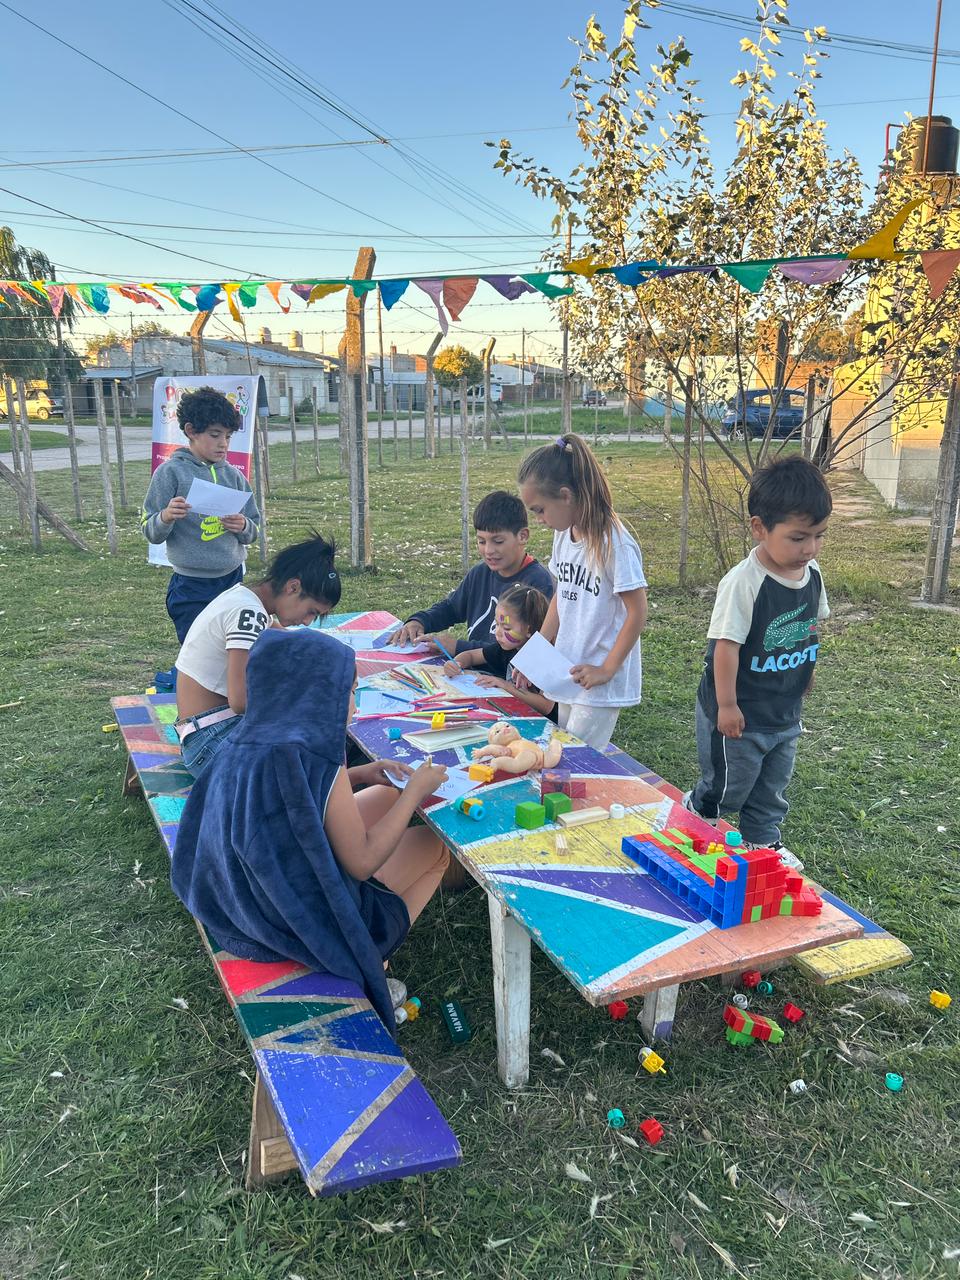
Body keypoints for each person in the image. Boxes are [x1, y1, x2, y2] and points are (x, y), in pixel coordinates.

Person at [170, 627, 450, 1031]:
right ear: (319, 696)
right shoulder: (317, 754)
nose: (353, 704)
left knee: (384, 798)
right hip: (293, 916)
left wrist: (360, 774)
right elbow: (361, 862)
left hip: (237, 893)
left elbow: (298, 794)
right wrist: (415, 794)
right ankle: (371, 955)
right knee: (434, 847)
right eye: (349, 693)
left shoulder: (250, 735)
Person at [684, 455, 831, 860]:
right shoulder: (743, 583)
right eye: (799, 537)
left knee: (772, 784)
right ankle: (699, 811)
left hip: (783, 706)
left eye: (819, 536)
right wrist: (727, 706)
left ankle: (762, 838)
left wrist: (807, 671)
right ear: (759, 528)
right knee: (730, 784)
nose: (810, 548)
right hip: (738, 709)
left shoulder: (812, 574)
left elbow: (811, 625)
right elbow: (726, 647)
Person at [518, 434, 648, 751]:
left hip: (599, 680)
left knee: (575, 758)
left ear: (565, 496)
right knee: (562, 748)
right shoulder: (564, 534)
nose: (538, 520)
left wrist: (607, 669)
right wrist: (535, 655)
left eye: (539, 510)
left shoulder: (614, 543)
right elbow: (562, 598)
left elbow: (638, 611)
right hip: (570, 670)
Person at [175, 533, 341, 777]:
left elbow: (292, 641)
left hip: (202, 728)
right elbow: (240, 702)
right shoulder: (250, 614)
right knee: (305, 760)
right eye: (311, 612)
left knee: (308, 738)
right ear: (293, 587)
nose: (307, 622)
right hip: (209, 741)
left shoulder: (245, 598)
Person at [141, 385, 260, 648]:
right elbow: (150, 530)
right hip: (191, 585)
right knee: (198, 652)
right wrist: (166, 516)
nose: (223, 444)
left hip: (232, 580)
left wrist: (242, 526)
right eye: (215, 435)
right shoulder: (170, 473)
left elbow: (254, 528)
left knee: (233, 648)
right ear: (191, 431)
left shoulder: (235, 477)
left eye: (228, 436)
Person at [388, 490, 554, 656]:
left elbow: (530, 650)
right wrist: (420, 621)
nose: (488, 550)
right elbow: (451, 608)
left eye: (498, 541)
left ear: (523, 536)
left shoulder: (537, 582)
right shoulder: (480, 573)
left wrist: (459, 647)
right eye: (481, 541)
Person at [441, 583, 558, 721]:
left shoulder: (547, 656)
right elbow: (471, 656)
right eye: (496, 624)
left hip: (545, 727)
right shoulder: (506, 648)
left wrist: (504, 685)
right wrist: (456, 663)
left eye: (506, 628)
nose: (498, 632)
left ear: (528, 629)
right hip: (513, 717)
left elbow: (546, 706)